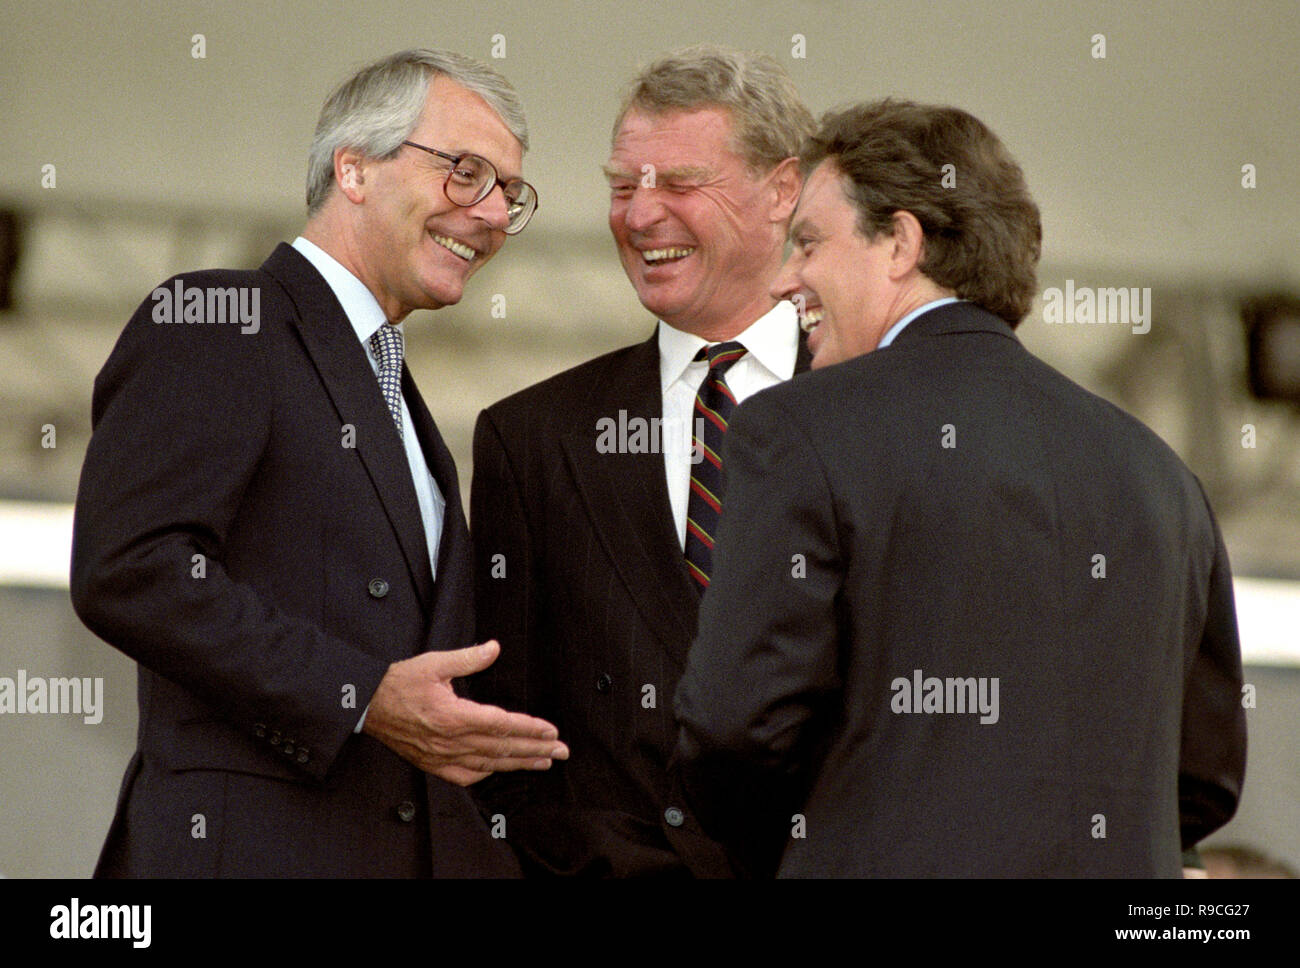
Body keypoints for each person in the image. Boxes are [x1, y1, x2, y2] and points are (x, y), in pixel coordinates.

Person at [673, 98, 1248, 877]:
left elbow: (736, 728)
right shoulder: (1161, 473)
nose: (784, 281)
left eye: (806, 242)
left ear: (901, 243)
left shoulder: (798, 427)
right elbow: (1205, 778)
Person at [70, 48, 567, 878]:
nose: (489, 213)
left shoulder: (392, 388)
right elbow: (129, 568)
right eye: (467, 173)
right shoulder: (222, 320)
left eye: (509, 195)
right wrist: (361, 695)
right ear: (354, 167)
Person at [468, 45, 813, 877]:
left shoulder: (886, 414)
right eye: (624, 187)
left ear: (783, 190)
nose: (640, 214)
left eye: (679, 183)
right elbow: (504, 739)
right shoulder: (534, 438)